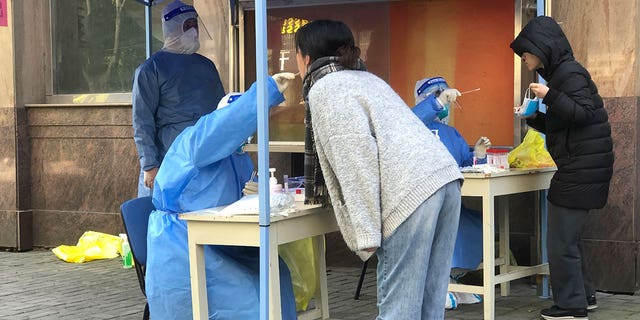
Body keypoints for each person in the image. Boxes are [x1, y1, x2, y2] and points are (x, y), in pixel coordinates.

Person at [295, 19, 464, 319]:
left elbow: (355, 158)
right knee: (429, 303)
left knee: (399, 309)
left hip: (410, 192)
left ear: (306, 58)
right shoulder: (367, 79)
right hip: (444, 178)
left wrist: (366, 233)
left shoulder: (326, 89)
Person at [145, 73, 299, 320]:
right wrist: (266, 91)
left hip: (221, 243)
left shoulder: (235, 156)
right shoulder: (195, 141)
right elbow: (226, 126)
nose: (246, 138)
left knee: (276, 273)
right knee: (247, 291)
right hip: (182, 244)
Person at [510, 16, 614, 320]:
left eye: (526, 54)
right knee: (570, 239)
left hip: (581, 168)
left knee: (560, 241)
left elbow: (583, 113)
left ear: (542, 48)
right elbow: (565, 123)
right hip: (584, 165)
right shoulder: (564, 74)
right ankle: (585, 297)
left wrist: (549, 96)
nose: (526, 62)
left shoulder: (568, 74)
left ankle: (570, 307)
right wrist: (532, 117)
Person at [132, 0, 225, 197]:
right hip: (168, 160)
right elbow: (142, 121)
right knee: (161, 216)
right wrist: (149, 165)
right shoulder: (151, 69)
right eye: (187, 26)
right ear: (172, 28)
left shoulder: (207, 66)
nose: (193, 31)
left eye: (195, 25)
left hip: (204, 159)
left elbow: (221, 110)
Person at [412, 76, 490, 309]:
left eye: (447, 95)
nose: (446, 101)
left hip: (450, 202)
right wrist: (434, 103)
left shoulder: (451, 133)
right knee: (443, 227)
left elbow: (466, 164)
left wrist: (479, 154)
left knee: (475, 224)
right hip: (422, 206)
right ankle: (438, 285)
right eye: (439, 95)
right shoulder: (412, 126)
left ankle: (453, 278)